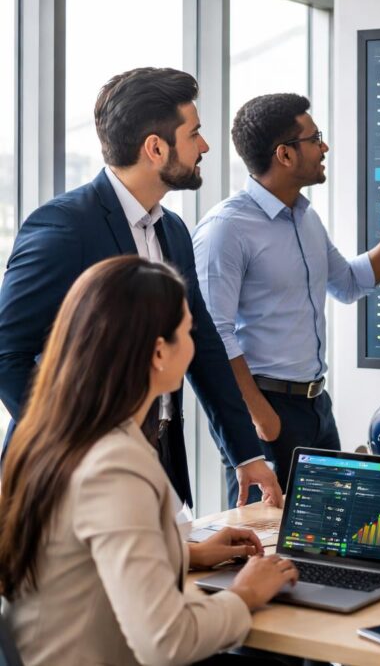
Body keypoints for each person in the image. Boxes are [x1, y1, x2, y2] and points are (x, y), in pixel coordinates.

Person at [0, 67, 281, 509]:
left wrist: (246, 454)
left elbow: (203, 345)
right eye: (194, 134)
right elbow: (7, 354)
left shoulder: (175, 231)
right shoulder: (65, 227)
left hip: (155, 460)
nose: (205, 147)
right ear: (155, 147)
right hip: (68, 479)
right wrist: (76, 446)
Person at [0, 256, 299, 666]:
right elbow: (166, 643)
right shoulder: (115, 465)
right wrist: (245, 593)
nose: (193, 345)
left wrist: (185, 553)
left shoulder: (55, 437)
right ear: (160, 352)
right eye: (187, 331)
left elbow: (79, 559)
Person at [192, 93, 380, 503]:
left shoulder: (306, 217)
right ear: (285, 154)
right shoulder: (226, 228)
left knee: (330, 531)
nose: (324, 147)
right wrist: (262, 416)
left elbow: (349, 283)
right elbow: (214, 335)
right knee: (264, 534)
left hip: (316, 408)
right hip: (267, 411)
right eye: (314, 138)